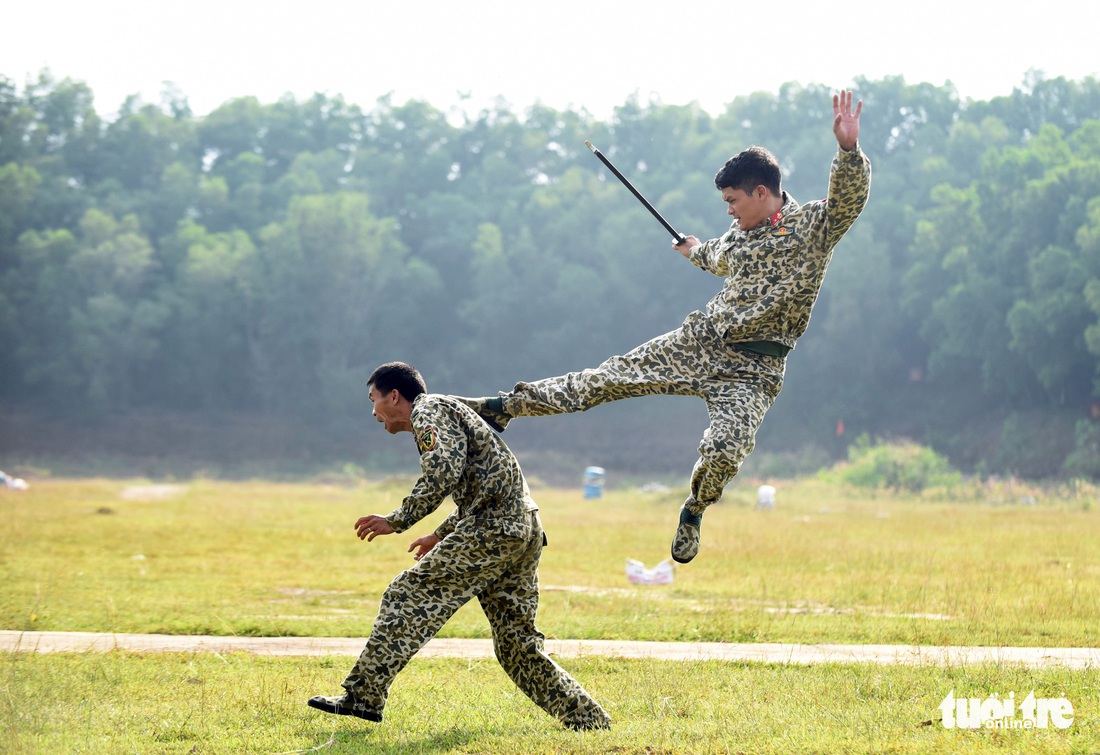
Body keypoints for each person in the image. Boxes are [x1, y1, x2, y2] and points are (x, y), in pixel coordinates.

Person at [458, 90, 871, 565]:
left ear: (762, 192)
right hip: (700, 344)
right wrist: (694, 249)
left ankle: (694, 509)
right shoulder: (737, 237)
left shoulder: (813, 226)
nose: (729, 211)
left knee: (724, 451)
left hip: (755, 371)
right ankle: (505, 405)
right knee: (603, 380)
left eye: (733, 200)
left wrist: (847, 151)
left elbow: (848, 199)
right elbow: (714, 255)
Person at [307, 361, 611, 731]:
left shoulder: (428, 410)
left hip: (495, 528)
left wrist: (396, 520)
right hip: (521, 527)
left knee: (406, 594)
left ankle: (363, 697)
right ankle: (590, 721)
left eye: (373, 400)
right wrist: (440, 533)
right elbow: (479, 485)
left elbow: (443, 472)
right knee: (517, 647)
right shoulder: (444, 410)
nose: (373, 412)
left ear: (394, 396)